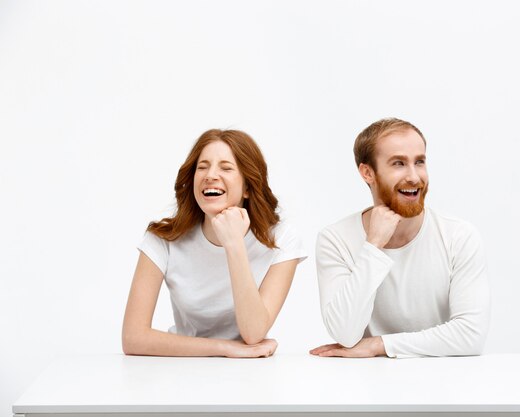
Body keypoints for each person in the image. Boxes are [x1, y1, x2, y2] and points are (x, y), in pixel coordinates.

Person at [310, 118, 490, 359]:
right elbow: (345, 333)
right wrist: (372, 246)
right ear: (367, 173)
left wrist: (379, 345)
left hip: (444, 384)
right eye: (398, 163)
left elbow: (470, 336)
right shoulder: (335, 239)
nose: (414, 177)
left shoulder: (459, 236)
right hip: (366, 386)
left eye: (420, 162)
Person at [123, 129, 306, 358]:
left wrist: (234, 244)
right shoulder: (163, 238)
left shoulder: (281, 240)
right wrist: (224, 348)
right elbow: (133, 338)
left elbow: (253, 334)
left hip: (252, 375)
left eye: (226, 168)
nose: (210, 175)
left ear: (248, 187)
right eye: (202, 167)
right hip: (179, 368)